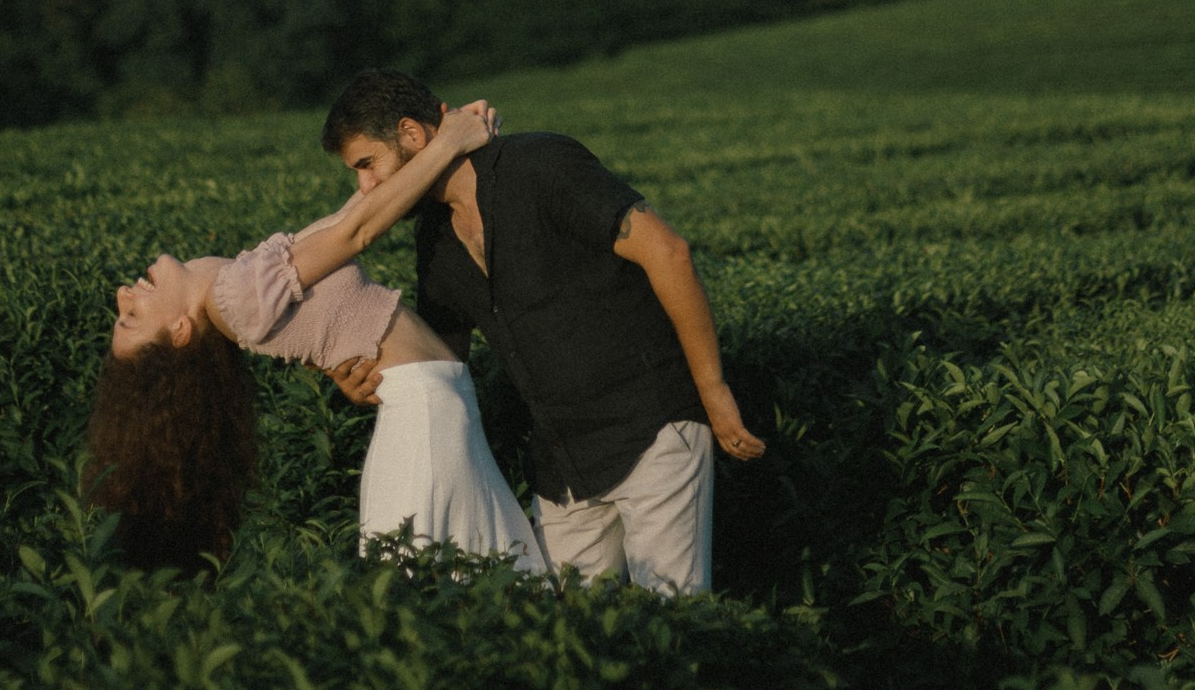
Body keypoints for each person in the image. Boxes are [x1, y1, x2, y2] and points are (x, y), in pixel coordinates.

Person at [322, 69, 764, 595]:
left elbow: (668, 252)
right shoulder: (434, 239)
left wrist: (714, 393)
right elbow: (442, 359)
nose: (365, 188)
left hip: (653, 427)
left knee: (671, 618)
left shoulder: (540, 164)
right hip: (560, 464)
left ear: (412, 134)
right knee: (559, 629)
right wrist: (372, 380)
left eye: (367, 165)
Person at [83, 98, 544, 574]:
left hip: (437, 400)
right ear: (180, 332)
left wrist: (441, 137)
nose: (123, 295)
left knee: (478, 569)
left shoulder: (236, 289)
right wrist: (449, 140)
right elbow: (356, 232)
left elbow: (361, 208)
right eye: (131, 318)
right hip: (423, 411)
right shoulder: (236, 298)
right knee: (431, 579)